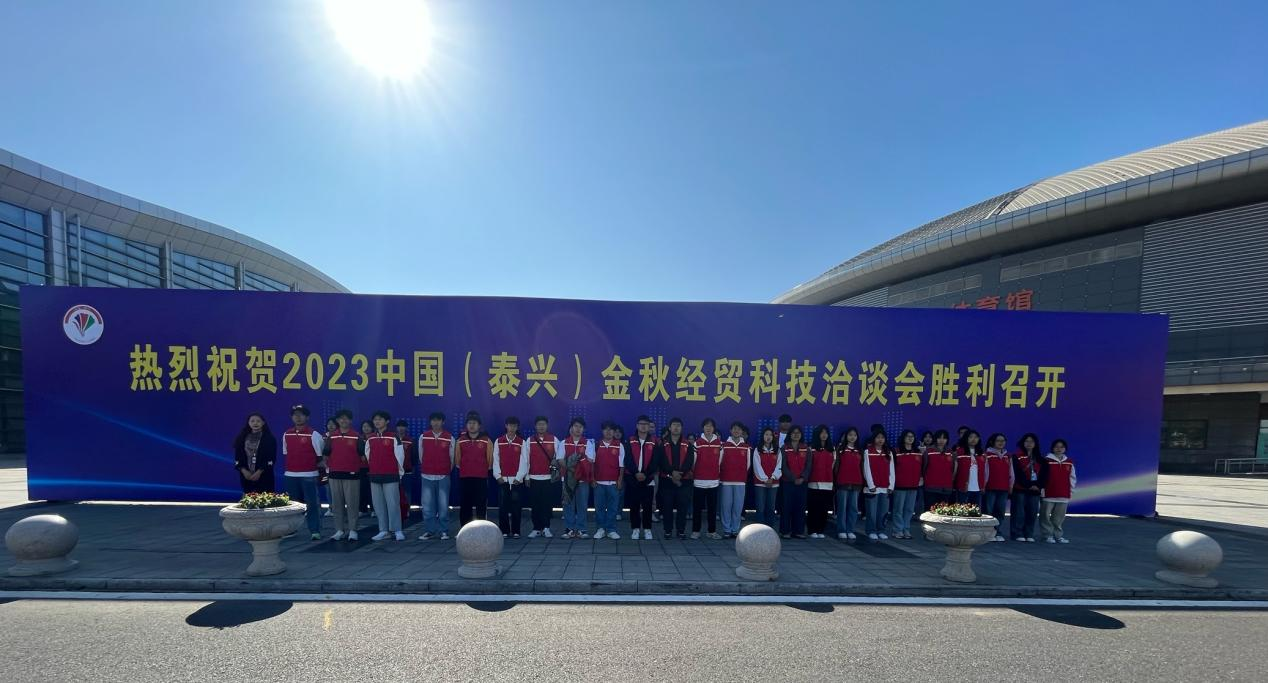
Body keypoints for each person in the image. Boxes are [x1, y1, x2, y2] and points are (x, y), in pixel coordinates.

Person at [282, 404, 326, 541]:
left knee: (312, 504)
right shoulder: (287, 434)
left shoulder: (314, 434)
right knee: (292, 505)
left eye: (301, 415)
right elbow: (286, 453)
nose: (298, 417)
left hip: (309, 475)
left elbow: (320, 456)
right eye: (295, 415)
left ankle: (315, 530)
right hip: (291, 475)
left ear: (307, 417)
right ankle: (291, 529)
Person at [364, 410, 405, 541]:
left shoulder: (393, 437)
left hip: (390, 475)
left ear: (387, 421)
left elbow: (400, 456)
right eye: (375, 419)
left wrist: (399, 473)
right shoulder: (370, 438)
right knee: (378, 505)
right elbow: (368, 455)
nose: (377, 422)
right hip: (375, 475)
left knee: (393, 504)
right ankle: (383, 530)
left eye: (380, 419)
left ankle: (397, 530)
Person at [325, 409, 363, 541]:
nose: (343, 420)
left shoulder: (356, 436)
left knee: (352, 504)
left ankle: (353, 530)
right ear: (337, 420)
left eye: (346, 418)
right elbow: (326, 454)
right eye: (341, 418)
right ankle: (339, 530)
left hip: (352, 475)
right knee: (337, 505)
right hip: (334, 474)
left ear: (350, 420)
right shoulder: (332, 437)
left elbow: (363, 456)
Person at [418, 412, 455, 540]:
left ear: (443, 422)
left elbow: (452, 458)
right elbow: (421, 456)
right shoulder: (423, 437)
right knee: (427, 505)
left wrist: (445, 470)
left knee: (443, 505)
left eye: (438, 420)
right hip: (427, 475)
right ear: (430, 422)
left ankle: (444, 530)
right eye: (433, 420)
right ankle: (430, 530)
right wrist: (428, 467)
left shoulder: (449, 437)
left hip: (443, 475)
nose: (436, 423)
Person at [657, 417, 695, 539]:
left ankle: (681, 531)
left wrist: (680, 475)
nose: (676, 427)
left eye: (678, 425)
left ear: (682, 428)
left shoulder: (688, 444)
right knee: (667, 507)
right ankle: (667, 531)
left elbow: (689, 461)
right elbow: (661, 461)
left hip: (684, 481)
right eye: (674, 425)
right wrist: (671, 473)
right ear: (669, 427)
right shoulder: (662, 444)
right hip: (667, 480)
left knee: (682, 507)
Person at [525, 416, 562, 538]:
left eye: (543, 424)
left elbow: (559, 457)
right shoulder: (529, 440)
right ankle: (536, 528)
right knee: (535, 505)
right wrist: (527, 477)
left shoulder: (554, 439)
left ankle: (546, 528)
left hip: (548, 478)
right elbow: (526, 460)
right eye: (539, 424)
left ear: (547, 426)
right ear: (535, 426)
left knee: (547, 504)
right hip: (534, 478)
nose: (541, 426)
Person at [492, 416, 528, 539]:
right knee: (503, 506)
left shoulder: (521, 442)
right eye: (510, 425)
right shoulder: (499, 441)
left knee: (516, 506)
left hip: (516, 480)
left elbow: (524, 461)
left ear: (517, 427)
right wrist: (497, 475)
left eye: (514, 426)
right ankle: (504, 531)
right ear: (506, 426)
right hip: (503, 479)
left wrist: (519, 477)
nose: (512, 428)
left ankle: (516, 531)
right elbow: (495, 459)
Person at [625, 415, 659, 540]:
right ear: (637, 425)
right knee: (634, 505)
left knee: (647, 506)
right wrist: (636, 473)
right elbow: (627, 459)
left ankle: (647, 529)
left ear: (649, 426)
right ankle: (635, 529)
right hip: (633, 478)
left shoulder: (655, 442)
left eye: (646, 424)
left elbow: (656, 461)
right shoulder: (630, 440)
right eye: (641, 424)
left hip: (648, 478)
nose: (643, 426)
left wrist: (645, 474)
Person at [456, 412, 494, 525]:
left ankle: (481, 529)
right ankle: (465, 529)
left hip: (481, 477)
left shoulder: (486, 440)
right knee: (465, 505)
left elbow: (490, 459)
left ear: (479, 426)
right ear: (466, 425)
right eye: (469, 423)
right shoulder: (460, 440)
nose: (471, 425)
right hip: (465, 477)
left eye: (474, 423)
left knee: (481, 505)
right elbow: (457, 460)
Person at [561, 418, 595, 539]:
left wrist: (577, 468)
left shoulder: (588, 443)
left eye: (580, 427)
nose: (578, 429)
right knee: (568, 504)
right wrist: (572, 470)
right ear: (571, 428)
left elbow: (590, 460)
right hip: (568, 480)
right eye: (575, 426)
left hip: (582, 480)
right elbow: (560, 460)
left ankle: (582, 529)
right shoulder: (564, 442)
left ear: (583, 429)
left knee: (582, 505)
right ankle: (569, 529)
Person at [1039, 439, 1076, 544]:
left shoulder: (1069, 462)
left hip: (1063, 494)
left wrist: (1071, 491)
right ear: (1052, 448)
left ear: (1065, 449)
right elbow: (1041, 476)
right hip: (1048, 494)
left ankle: (1058, 535)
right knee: (1045, 516)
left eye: (1061, 447)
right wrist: (1042, 490)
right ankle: (1047, 535)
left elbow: (1072, 478)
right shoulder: (1046, 460)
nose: (1059, 449)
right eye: (1056, 447)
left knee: (1058, 518)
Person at [692, 418, 723, 539]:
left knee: (712, 509)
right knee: (697, 508)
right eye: (706, 426)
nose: (708, 428)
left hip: (713, 481)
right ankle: (696, 531)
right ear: (703, 428)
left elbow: (720, 462)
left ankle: (711, 531)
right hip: (699, 481)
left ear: (714, 428)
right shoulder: (697, 443)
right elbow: (693, 462)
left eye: (711, 426)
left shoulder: (719, 444)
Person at [592, 422, 625, 540]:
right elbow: (592, 464)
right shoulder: (596, 445)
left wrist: (620, 480)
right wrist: (592, 479)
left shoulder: (619, 445)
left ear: (614, 432)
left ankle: (611, 530)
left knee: (613, 508)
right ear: (602, 431)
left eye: (611, 429)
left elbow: (622, 465)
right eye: (606, 429)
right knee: (599, 508)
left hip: (613, 483)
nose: (608, 432)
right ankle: (600, 529)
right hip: (599, 483)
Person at [718, 421, 749, 539]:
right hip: (726, 481)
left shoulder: (746, 447)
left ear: (742, 432)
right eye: (734, 428)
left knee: (738, 507)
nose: (736, 431)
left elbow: (748, 465)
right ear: (730, 431)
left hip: (740, 481)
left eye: (739, 429)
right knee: (726, 506)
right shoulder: (724, 445)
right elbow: (719, 463)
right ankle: (726, 529)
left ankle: (735, 529)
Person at [862, 430, 895, 541]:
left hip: (885, 487)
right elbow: (866, 469)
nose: (880, 440)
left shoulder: (888, 452)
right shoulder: (868, 451)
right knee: (871, 512)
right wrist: (871, 485)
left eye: (882, 437)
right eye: (878, 437)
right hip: (872, 487)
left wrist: (891, 485)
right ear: (873, 439)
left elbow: (892, 470)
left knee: (883, 512)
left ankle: (881, 530)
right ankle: (871, 531)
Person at [782, 426, 813, 538]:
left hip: (802, 482)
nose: (796, 435)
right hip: (788, 482)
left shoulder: (806, 448)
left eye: (798, 433)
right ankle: (785, 531)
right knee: (786, 506)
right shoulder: (784, 448)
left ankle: (799, 531)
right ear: (789, 434)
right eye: (794, 433)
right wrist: (793, 478)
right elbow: (783, 466)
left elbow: (808, 465)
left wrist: (802, 478)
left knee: (800, 507)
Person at [1011, 433, 1043, 542]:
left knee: (1032, 513)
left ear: (1035, 444)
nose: (1029, 443)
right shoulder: (1016, 456)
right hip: (1020, 489)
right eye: (1027, 441)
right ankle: (1017, 533)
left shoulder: (1039, 458)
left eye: (1032, 441)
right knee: (1019, 513)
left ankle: (1029, 533)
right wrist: (1029, 485)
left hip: (1035, 490)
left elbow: (1044, 474)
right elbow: (1017, 473)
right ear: (1023, 443)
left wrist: (1038, 485)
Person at [233, 413, 276, 494]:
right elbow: (238, 457)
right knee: (249, 499)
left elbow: (271, 458)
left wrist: (259, 472)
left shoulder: (270, 439)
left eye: (258, 421)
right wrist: (244, 471)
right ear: (248, 423)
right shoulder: (241, 438)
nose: (255, 423)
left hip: (264, 476)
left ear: (263, 423)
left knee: (265, 500)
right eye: (252, 421)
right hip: (247, 476)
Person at [892, 430, 923, 540]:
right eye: (908, 436)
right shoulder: (896, 451)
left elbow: (922, 467)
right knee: (898, 509)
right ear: (903, 438)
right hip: (900, 485)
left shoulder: (918, 452)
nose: (910, 438)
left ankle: (906, 529)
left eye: (912, 436)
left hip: (913, 485)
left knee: (909, 509)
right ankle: (897, 530)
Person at [833, 427, 863, 540]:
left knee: (853, 508)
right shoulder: (840, 449)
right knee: (842, 507)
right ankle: (841, 529)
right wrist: (835, 480)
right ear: (846, 436)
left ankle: (850, 529)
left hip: (856, 482)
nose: (852, 437)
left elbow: (862, 467)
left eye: (854, 435)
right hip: (842, 481)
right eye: (850, 435)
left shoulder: (860, 450)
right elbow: (836, 466)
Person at [983, 432, 1014, 542]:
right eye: (998, 440)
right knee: (988, 511)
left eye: (1003, 441)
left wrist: (1011, 485)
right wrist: (984, 485)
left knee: (1000, 511)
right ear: (992, 442)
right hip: (990, 488)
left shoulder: (1007, 456)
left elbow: (1011, 472)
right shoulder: (987, 455)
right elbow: (985, 472)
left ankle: (997, 532)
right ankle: (987, 533)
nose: (1001, 443)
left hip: (1003, 488)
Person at [806, 426, 835, 539]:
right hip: (814, 482)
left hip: (827, 483)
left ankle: (820, 530)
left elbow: (833, 466)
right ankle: (812, 530)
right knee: (813, 508)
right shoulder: (811, 448)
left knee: (824, 509)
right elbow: (808, 465)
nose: (824, 435)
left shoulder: (832, 449)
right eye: (821, 432)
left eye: (826, 432)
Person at [751, 426, 781, 528]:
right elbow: (756, 466)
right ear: (762, 436)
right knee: (760, 508)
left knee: (771, 507)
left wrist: (772, 478)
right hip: (760, 483)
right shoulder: (758, 450)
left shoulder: (777, 450)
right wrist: (765, 479)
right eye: (766, 434)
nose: (768, 437)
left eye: (770, 435)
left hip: (773, 483)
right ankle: (760, 530)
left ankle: (770, 530)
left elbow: (779, 466)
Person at [923, 430, 956, 510]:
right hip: (931, 488)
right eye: (939, 438)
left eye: (944, 438)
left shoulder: (950, 452)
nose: (941, 440)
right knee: (930, 512)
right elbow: (923, 468)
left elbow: (953, 469)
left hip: (946, 488)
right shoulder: (928, 451)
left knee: (943, 512)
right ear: (935, 439)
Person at [954, 430, 986, 506]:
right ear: (966, 438)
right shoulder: (959, 452)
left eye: (976, 437)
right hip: (963, 488)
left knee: (975, 512)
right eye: (970, 437)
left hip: (977, 488)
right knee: (963, 511)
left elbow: (985, 471)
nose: (973, 439)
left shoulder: (982, 453)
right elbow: (954, 469)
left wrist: (983, 485)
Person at [395, 420, 416, 526]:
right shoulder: (393, 439)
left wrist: (412, 466)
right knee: (395, 492)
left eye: (403, 426)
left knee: (407, 492)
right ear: (396, 428)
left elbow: (414, 456)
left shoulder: (410, 440)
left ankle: (407, 510)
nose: (401, 428)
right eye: (399, 426)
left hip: (407, 470)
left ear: (406, 428)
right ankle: (396, 511)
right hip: (394, 471)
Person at [320, 417, 336, 517]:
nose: (331, 426)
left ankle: (340, 509)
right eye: (329, 424)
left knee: (338, 490)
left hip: (338, 467)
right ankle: (331, 508)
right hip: (326, 468)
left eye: (333, 424)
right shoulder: (323, 437)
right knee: (328, 489)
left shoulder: (339, 436)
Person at [358, 419, 374, 515]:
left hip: (373, 467)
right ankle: (362, 509)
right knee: (362, 489)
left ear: (372, 427)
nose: (366, 428)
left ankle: (373, 509)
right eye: (364, 426)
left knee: (372, 489)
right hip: (361, 467)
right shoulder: (359, 438)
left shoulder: (375, 438)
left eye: (368, 426)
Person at [612, 423, 626, 523]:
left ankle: (618, 512)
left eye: (619, 432)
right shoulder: (605, 443)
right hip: (610, 472)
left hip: (623, 473)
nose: (617, 434)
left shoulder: (625, 445)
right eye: (615, 432)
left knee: (620, 494)